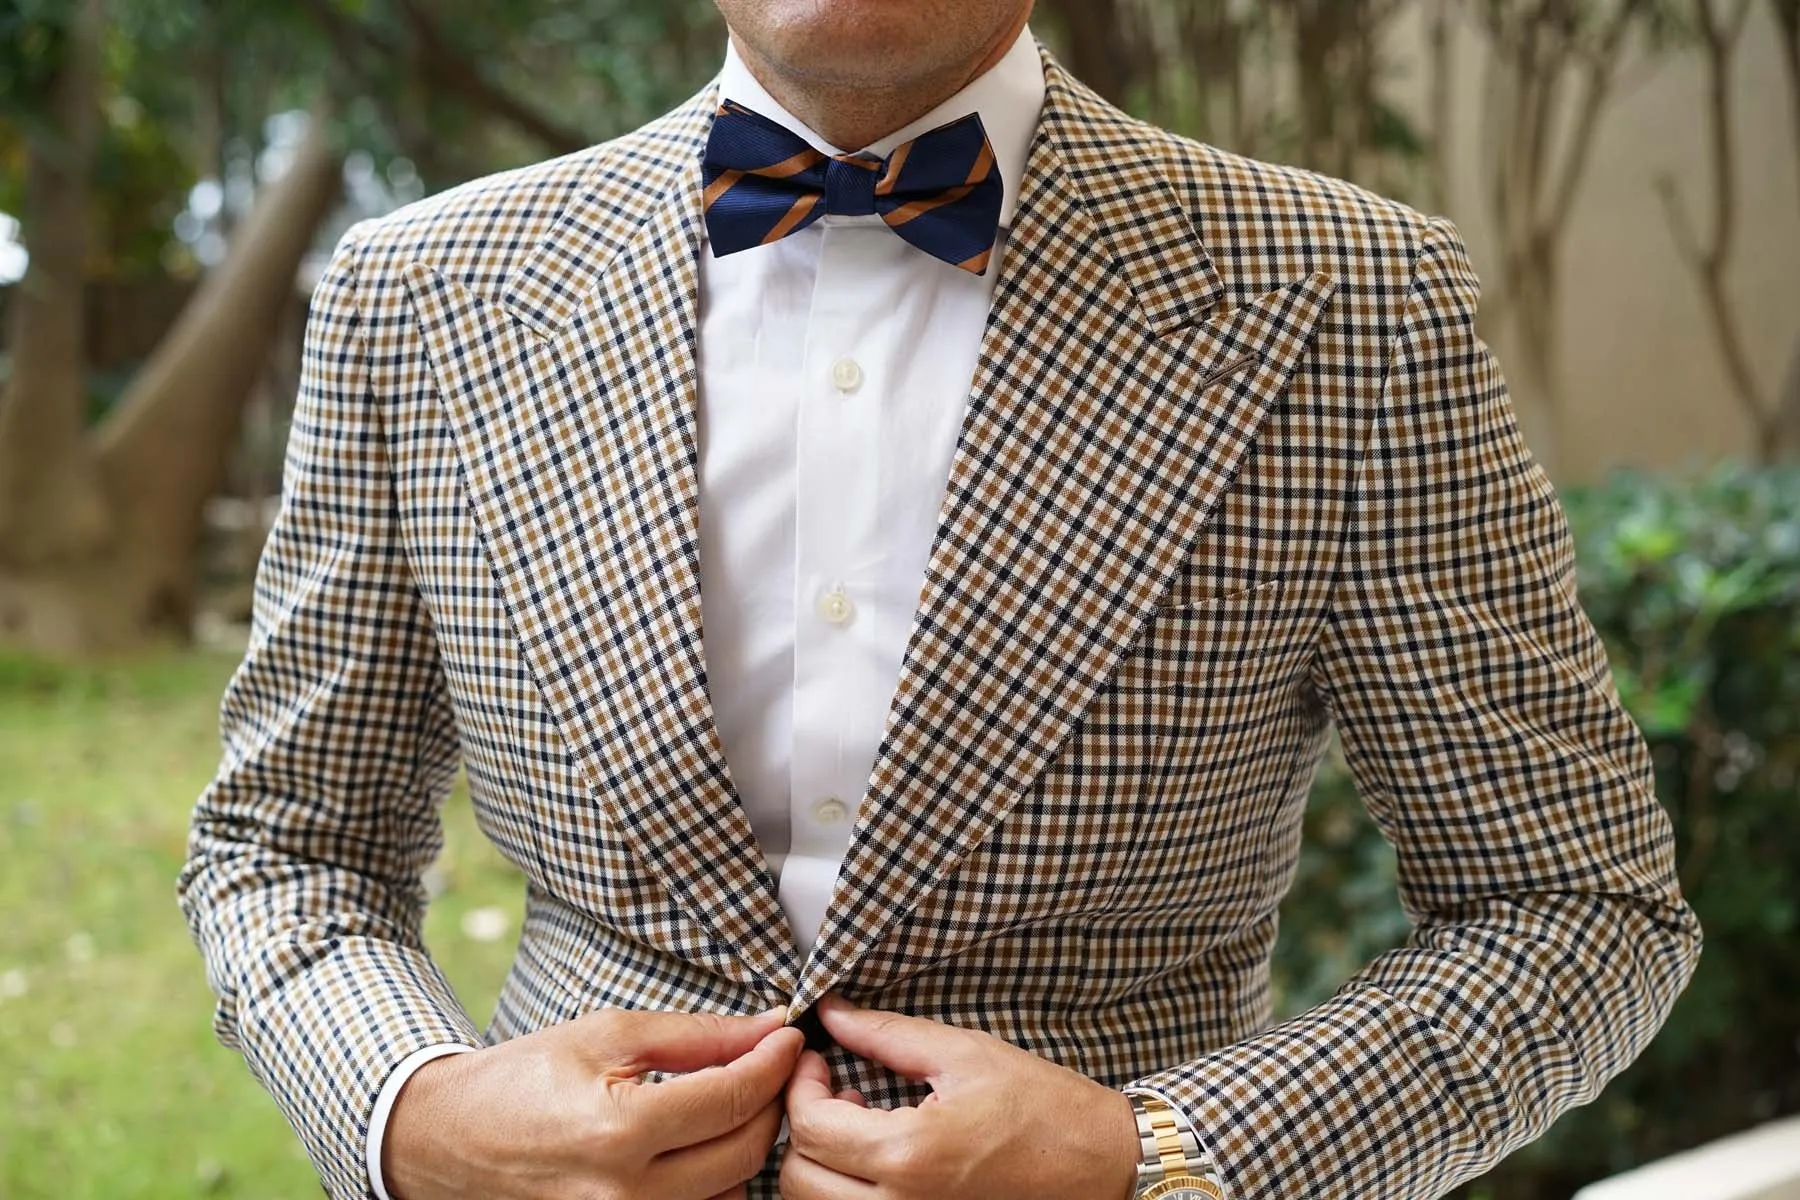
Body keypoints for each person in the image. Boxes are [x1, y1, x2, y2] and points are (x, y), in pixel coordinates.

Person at [178, 2, 1702, 1198]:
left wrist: (1158, 1158)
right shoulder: (422, 295)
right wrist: (414, 1114)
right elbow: (283, 848)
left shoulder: (1351, 305)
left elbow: (1574, 907)